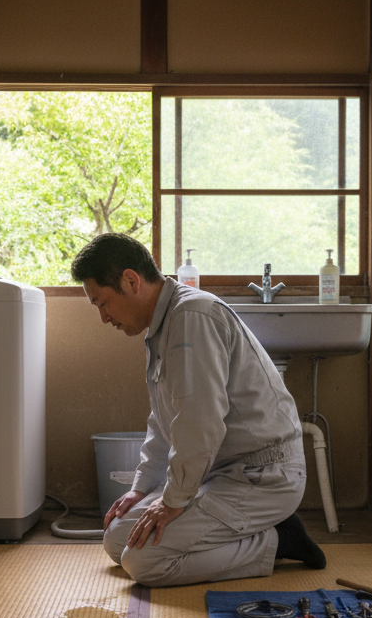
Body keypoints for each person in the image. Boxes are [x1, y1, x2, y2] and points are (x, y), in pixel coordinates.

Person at [70, 233, 326, 587]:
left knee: (144, 562)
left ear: (131, 281)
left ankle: (279, 539)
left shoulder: (193, 316)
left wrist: (174, 500)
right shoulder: (162, 326)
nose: (103, 317)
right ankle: (253, 531)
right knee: (117, 540)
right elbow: (164, 423)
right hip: (220, 474)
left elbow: (199, 422)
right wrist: (142, 490)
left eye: (102, 302)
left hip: (263, 476)